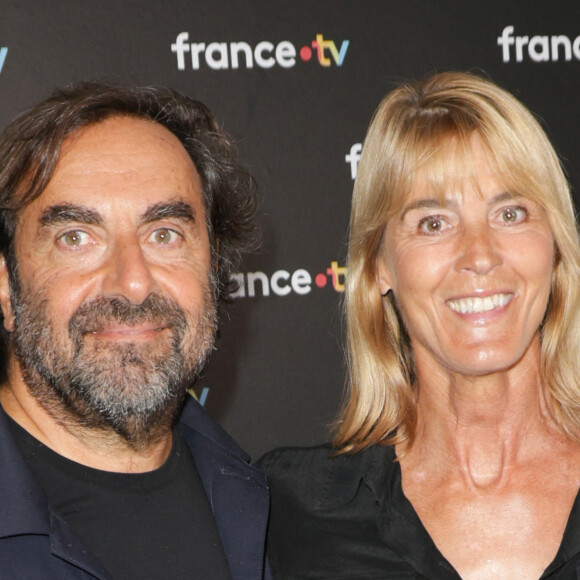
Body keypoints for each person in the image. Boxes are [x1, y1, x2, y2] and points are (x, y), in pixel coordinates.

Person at [259, 71, 580, 579]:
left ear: (555, 246)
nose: (479, 255)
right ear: (379, 266)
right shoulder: (283, 514)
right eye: (433, 223)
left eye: (511, 213)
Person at [0, 83, 270, 579]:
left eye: (163, 234)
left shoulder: (272, 510)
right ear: (4, 285)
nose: (132, 281)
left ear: (213, 267)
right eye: (76, 238)